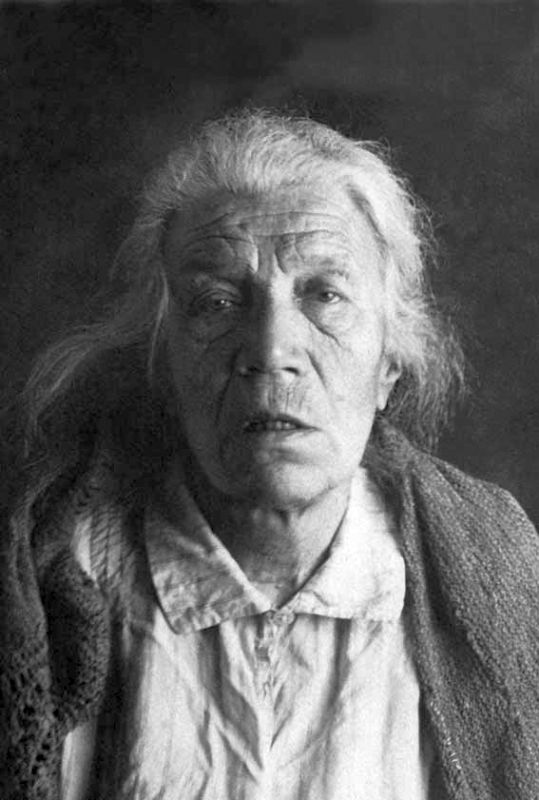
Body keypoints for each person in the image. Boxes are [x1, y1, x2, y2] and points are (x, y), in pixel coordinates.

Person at [1, 109, 538, 800]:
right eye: (217, 302)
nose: (271, 350)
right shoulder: (47, 582)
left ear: (389, 365)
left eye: (325, 295)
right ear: (162, 364)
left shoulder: (507, 576)